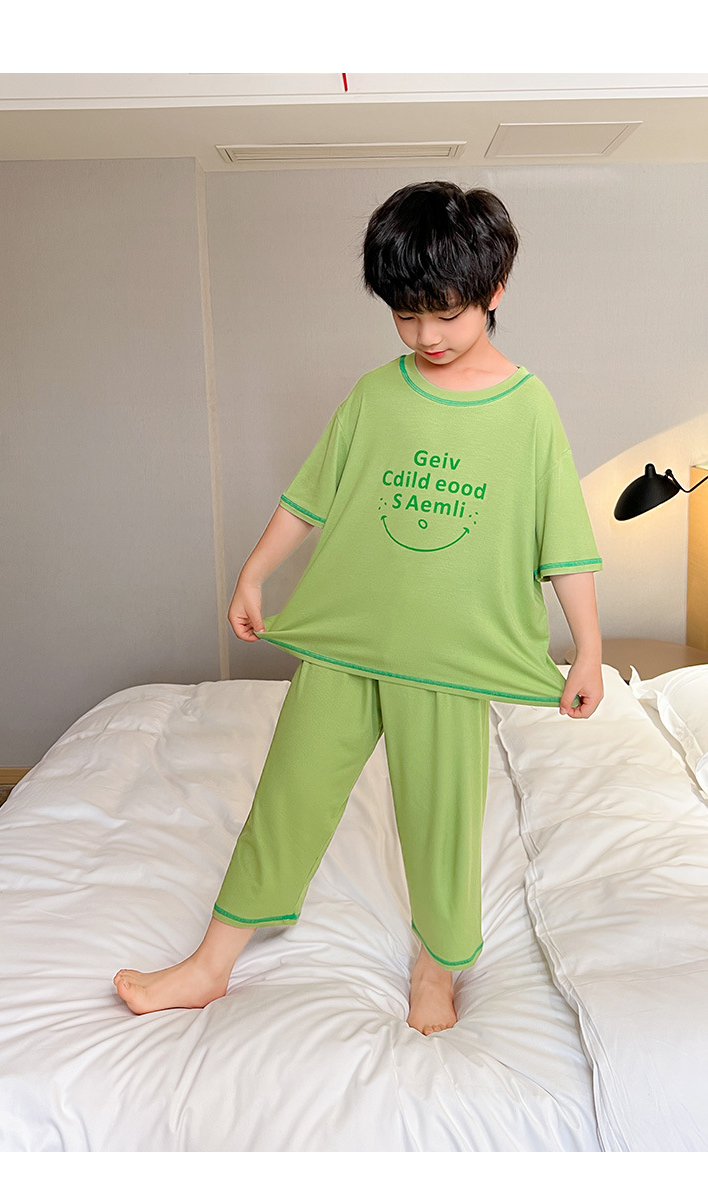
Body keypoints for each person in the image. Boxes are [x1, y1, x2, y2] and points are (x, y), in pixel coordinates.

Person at [114, 180, 603, 1035]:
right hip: (347, 643)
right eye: (406, 316)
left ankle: (437, 964)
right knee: (289, 794)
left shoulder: (528, 409)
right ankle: (210, 964)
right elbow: (311, 496)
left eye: (445, 314)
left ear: (494, 291)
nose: (426, 336)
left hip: (449, 659)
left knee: (441, 817)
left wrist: (588, 647)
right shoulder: (377, 395)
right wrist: (254, 573)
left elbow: (563, 537)